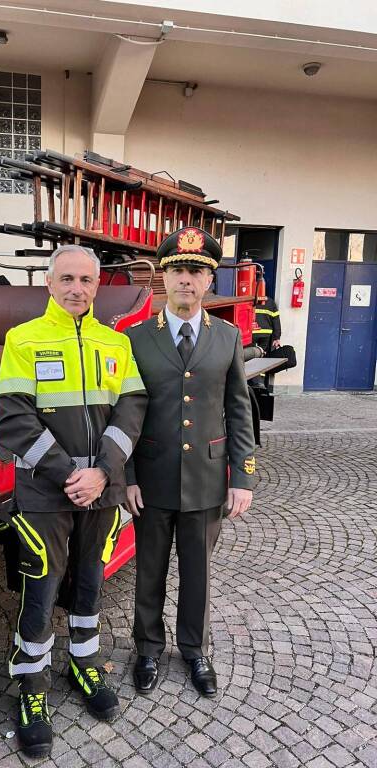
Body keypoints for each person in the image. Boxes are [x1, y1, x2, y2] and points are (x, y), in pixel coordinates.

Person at [0, 244, 147, 759]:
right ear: (49, 282)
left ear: (96, 285)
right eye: (66, 279)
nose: (76, 288)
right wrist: (70, 475)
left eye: (85, 280)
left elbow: (132, 411)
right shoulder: (23, 339)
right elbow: (14, 417)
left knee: (90, 581)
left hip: (99, 492)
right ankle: (31, 688)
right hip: (45, 494)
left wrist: (103, 472)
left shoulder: (115, 344)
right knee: (41, 588)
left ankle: (85, 661)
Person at [125, 226, 256, 698]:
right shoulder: (136, 337)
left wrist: (242, 476)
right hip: (153, 477)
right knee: (150, 571)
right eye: (178, 270)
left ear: (208, 281)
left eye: (196, 271)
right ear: (164, 277)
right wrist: (128, 476)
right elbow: (126, 411)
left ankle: (195, 649)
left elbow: (240, 408)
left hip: (206, 477)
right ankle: (147, 648)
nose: (187, 279)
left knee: (198, 572)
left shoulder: (227, 336)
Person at [253, 291, 297, 371]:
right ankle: (260, 380)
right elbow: (276, 320)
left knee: (251, 356)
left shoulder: (249, 300)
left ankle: (250, 379)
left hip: (252, 334)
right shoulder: (270, 302)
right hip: (266, 335)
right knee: (263, 356)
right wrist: (277, 337)